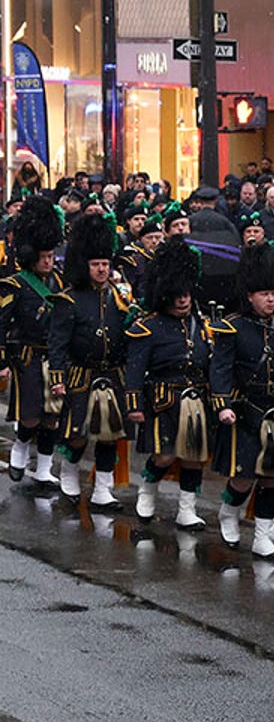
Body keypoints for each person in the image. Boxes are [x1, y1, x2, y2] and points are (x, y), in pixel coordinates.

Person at [209, 243, 274, 559]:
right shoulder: (232, 326)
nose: (271, 299)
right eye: (263, 294)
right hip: (245, 409)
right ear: (250, 295)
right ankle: (229, 511)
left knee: (271, 478)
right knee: (245, 476)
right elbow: (219, 368)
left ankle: (262, 537)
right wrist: (223, 405)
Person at [125, 241, 217, 529]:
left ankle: (186, 509)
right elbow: (136, 368)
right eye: (176, 296)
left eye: (186, 294)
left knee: (193, 456)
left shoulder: (202, 323)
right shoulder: (148, 326)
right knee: (164, 454)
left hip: (197, 397)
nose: (183, 301)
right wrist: (134, 404)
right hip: (164, 398)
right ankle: (147, 491)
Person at [46, 212, 128, 511]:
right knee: (78, 433)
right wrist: (57, 379)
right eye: (96, 265)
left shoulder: (120, 296)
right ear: (85, 265)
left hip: (112, 375)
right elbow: (57, 343)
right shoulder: (68, 299)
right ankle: (69, 473)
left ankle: (103, 489)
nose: (102, 270)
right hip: (80, 374)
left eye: (106, 264)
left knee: (109, 436)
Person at [0, 198, 67, 490]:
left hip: (54, 357)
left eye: (52, 255)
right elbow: (1, 325)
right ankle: (20, 449)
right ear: (31, 256)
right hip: (26, 356)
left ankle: (44, 467)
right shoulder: (14, 284)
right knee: (29, 415)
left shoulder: (62, 284)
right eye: (44, 256)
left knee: (52, 415)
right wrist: (1, 361)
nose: (49, 261)